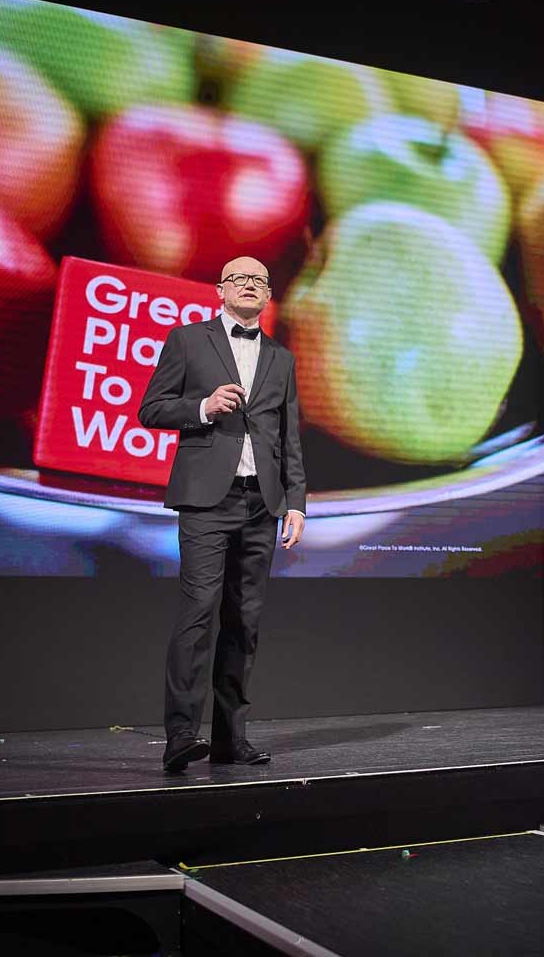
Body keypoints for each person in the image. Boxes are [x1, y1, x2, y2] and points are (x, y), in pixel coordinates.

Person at [138, 256, 307, 771]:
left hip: (263, 502)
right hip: (207, 500)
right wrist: (203, 407)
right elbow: (150, 408)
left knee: (244, 622)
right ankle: (181, 737)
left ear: (268, 295)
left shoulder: (281, 357)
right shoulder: (188, 340)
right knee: (197, 614)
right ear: (220, 289)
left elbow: (289, 436)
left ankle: (232, 739)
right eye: (239, 278)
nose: (250, 285)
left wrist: (296, 502)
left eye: (260, 280)